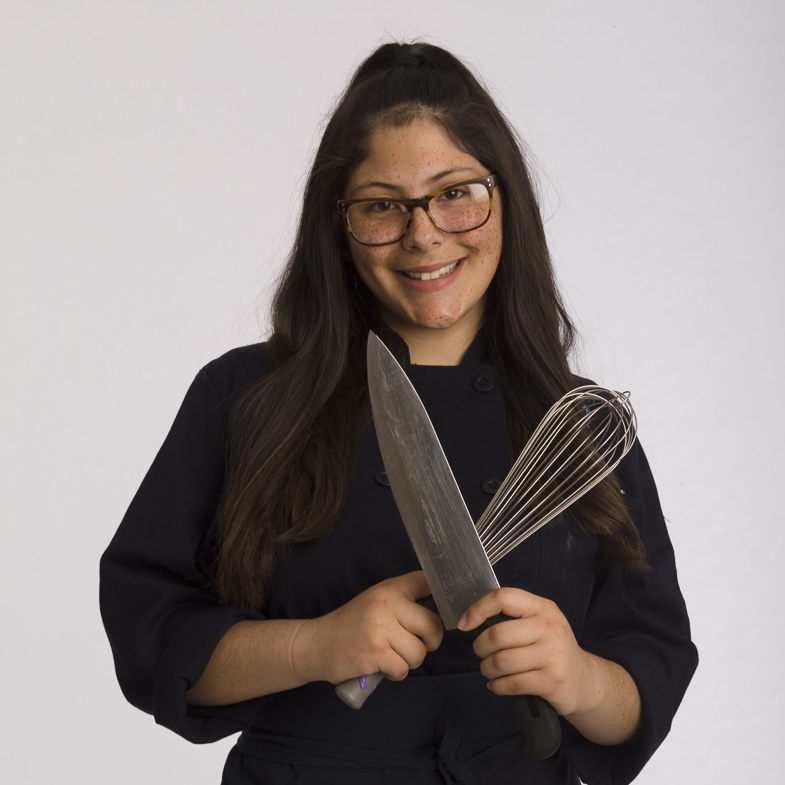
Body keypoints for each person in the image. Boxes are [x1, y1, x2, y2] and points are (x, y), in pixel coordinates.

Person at [99, 42, 698, 784]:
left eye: (455, 192)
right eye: (381, 205)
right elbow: (150, 633)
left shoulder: (573, 431)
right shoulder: (244, 397)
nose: (423, 233)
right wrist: (314, 645)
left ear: (502, 197)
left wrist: (576, 677)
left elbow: (649, 676)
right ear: (340, 227)